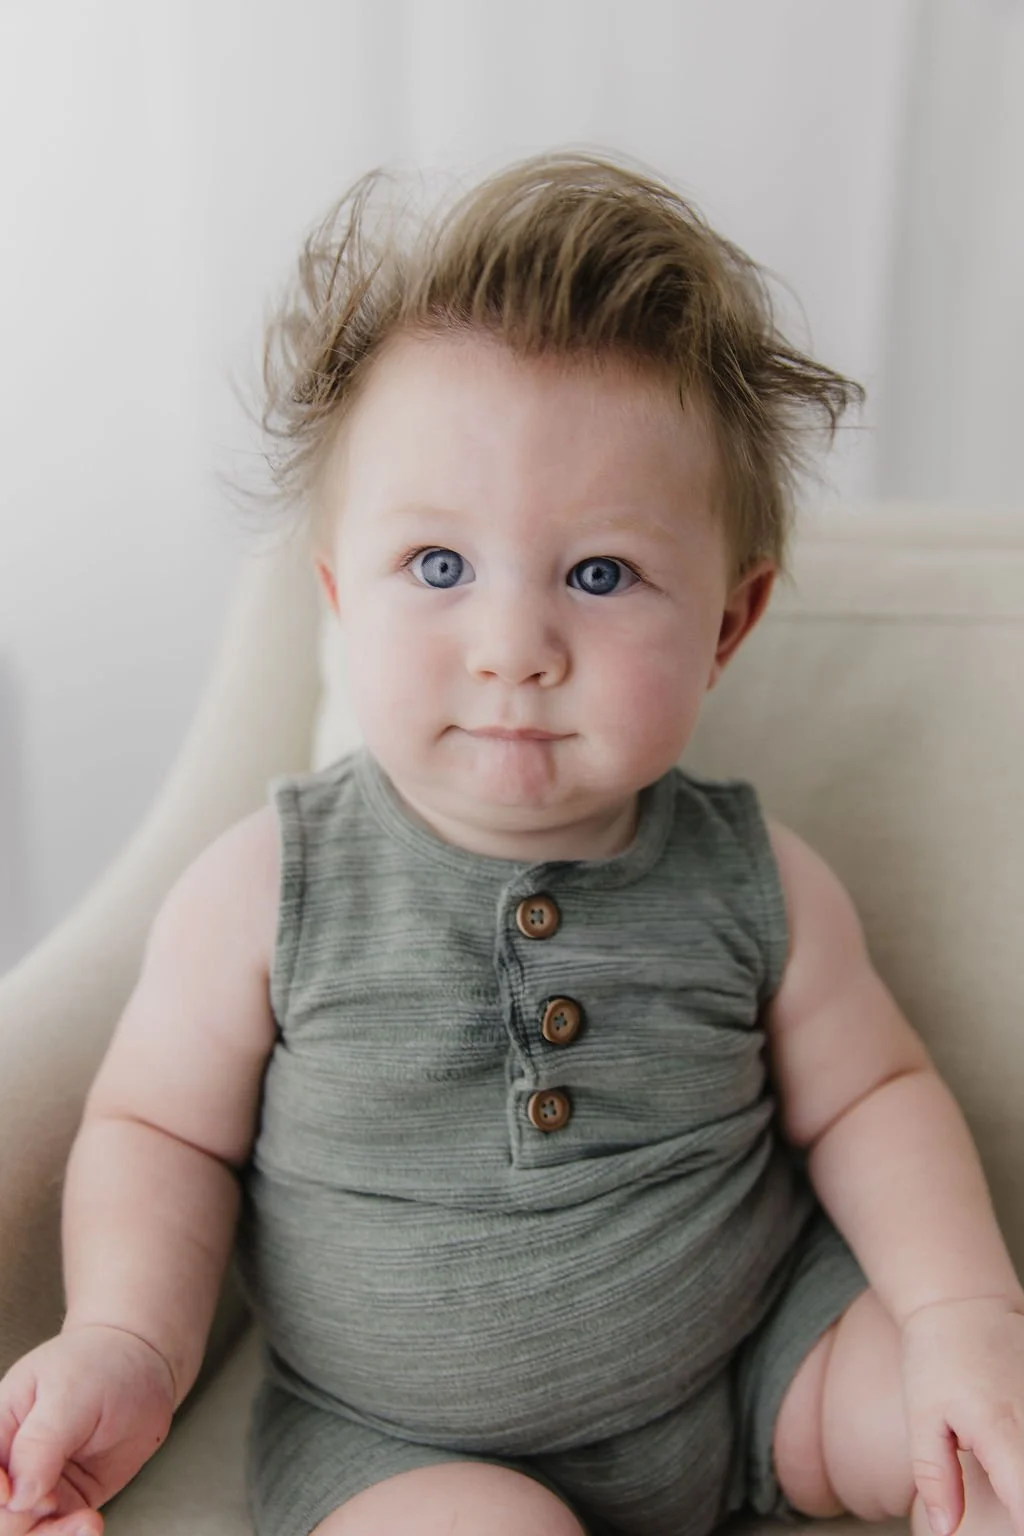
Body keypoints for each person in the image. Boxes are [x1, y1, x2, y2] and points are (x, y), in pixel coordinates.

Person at [1, 150, 1023, 1536]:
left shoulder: (755, 878)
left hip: (759, 1369)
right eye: (438, 568)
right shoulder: (270, 888)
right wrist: (130, 1337)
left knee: (968, 1420)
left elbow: (869, 1097)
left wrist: (964, 1313)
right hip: (395, 1444)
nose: (514, 650)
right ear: (338, 602)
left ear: (728, 621)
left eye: (600, 575)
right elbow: (156, 1127)